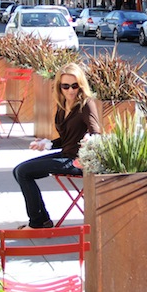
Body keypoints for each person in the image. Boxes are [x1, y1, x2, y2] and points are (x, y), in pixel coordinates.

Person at [13, 63, 102, 229]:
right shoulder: (62, 107)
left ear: (81, 85)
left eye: (75, 86)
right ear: (59, 87)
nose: (71, 90)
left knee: (23, 172)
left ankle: (37, 223)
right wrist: (47, 144)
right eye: (66, 86)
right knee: (19, 170)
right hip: (65, 155)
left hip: (77, 162)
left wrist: (87, 149)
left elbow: (96, 134)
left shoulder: (86, 104)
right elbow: (67, 139)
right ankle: (42, 220)